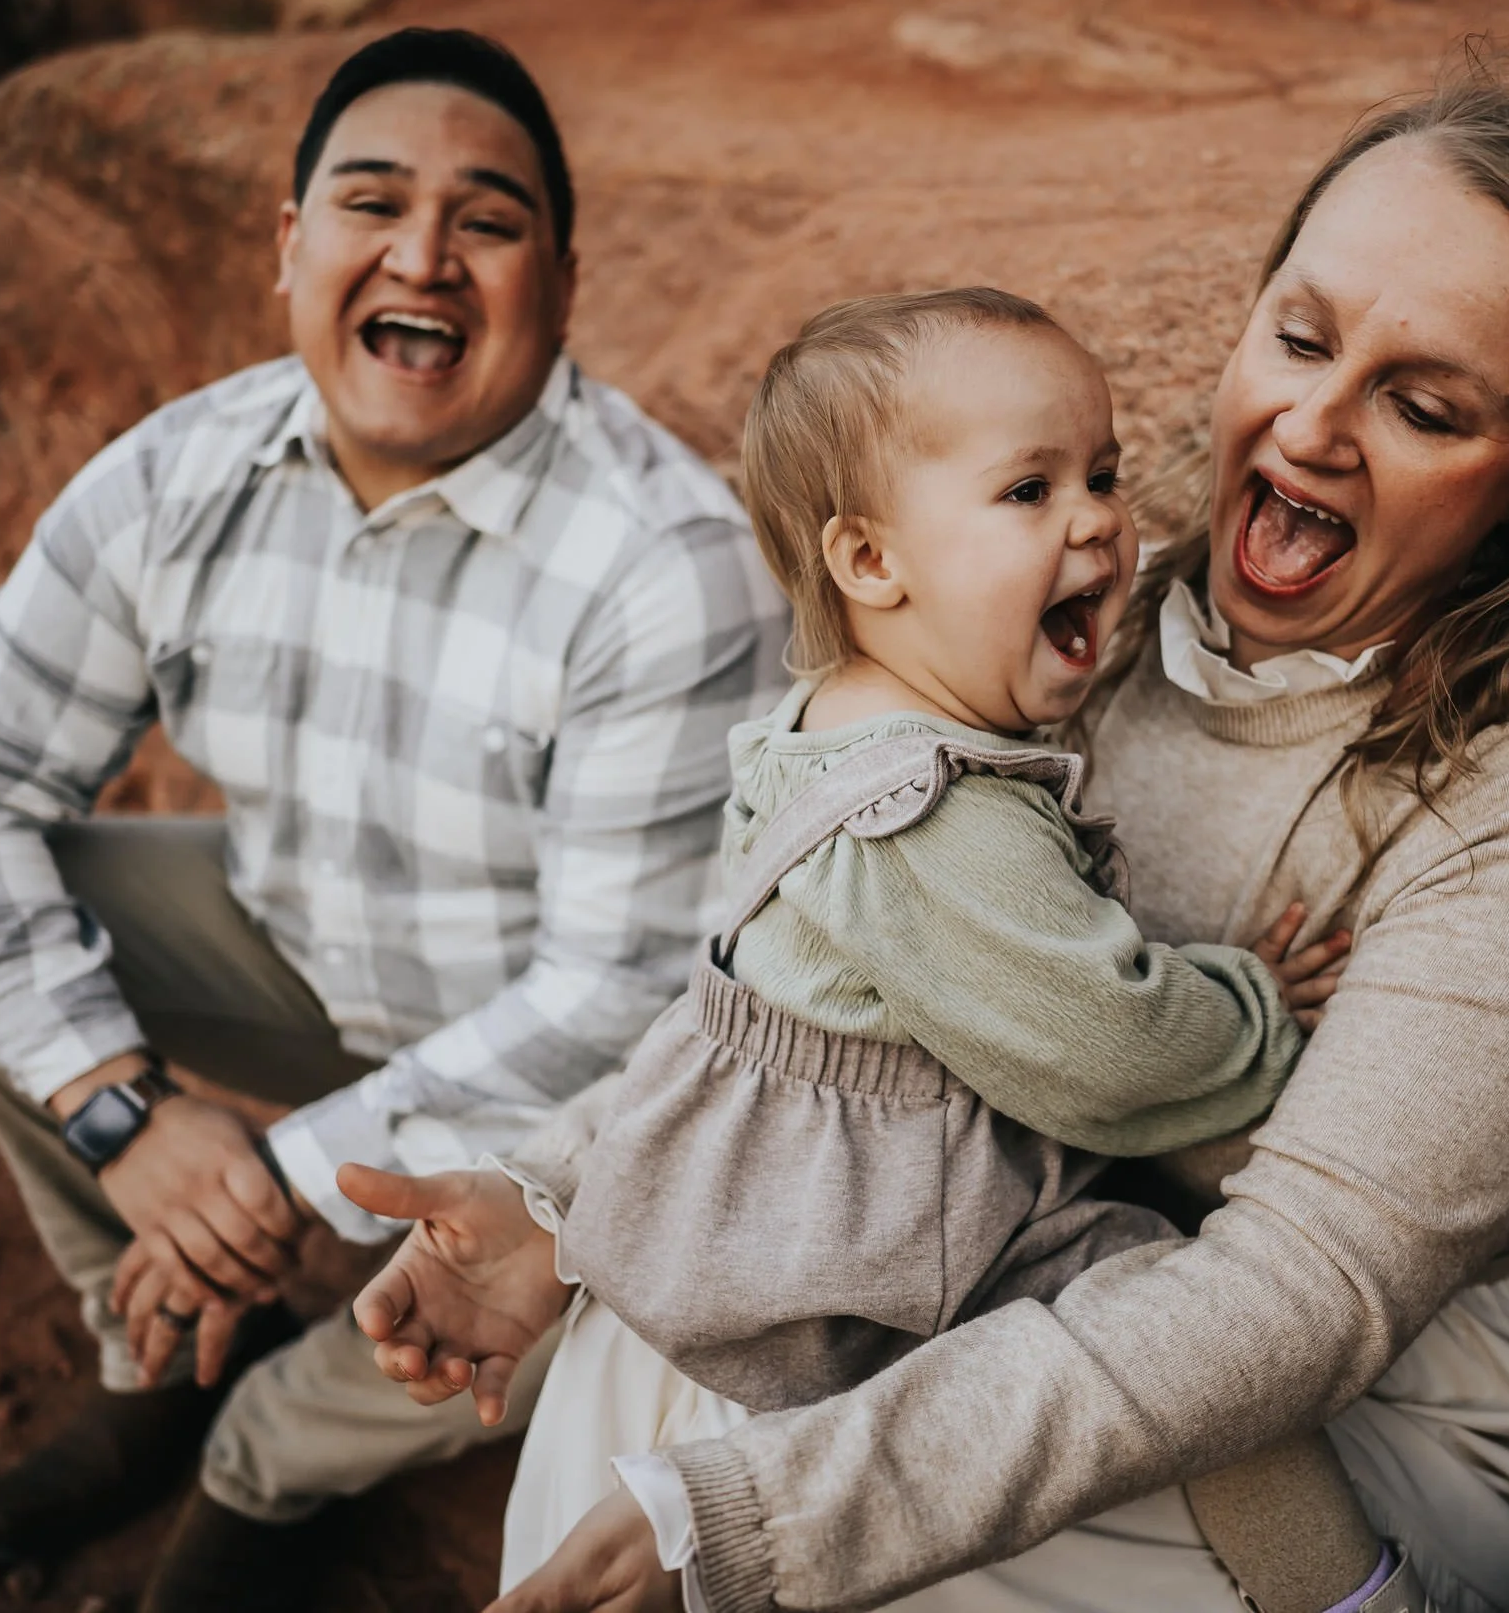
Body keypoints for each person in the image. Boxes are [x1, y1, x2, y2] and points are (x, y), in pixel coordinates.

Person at [340, 65, 1509, 1613]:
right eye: (1297, 338)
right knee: (663, 1355)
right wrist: (559, 1209)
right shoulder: (1064, 632)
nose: (1313, 423)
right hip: (1040, 1249)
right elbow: (813, 1011)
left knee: (746, 1470)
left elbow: (1292, 1300)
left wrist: (774, 1516)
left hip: (1376, 1401)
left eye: (1421, 407)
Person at [0, 27, 787, 1613]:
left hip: (581, 1081)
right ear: (289, 250)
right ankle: (158, 1343)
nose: (422, 255)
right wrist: (125, 1116)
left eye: (486, 221)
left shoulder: (664, 562)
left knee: (648, 1201)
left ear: (562, 283)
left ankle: (267, 1450)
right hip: (298, 954)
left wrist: (277, 1179)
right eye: (371, 203)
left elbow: (623, 1002)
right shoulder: (178, 472)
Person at [345, 286, 1355, 1582]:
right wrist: (1254, 1001)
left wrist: (552, 1187)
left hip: (740, 1293)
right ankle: (1357, 1592)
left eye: (1099, 474)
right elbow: (1111, 1046)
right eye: (1028, 491)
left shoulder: (823, 731)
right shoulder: (933, 823)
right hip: (794, 1346)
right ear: (872, 562)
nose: (1099, 516)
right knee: (1206, 1347)